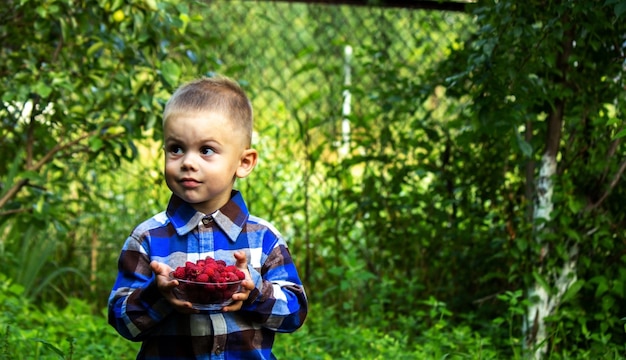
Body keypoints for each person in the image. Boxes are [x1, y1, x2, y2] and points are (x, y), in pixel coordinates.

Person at [108, 76, 308, 359]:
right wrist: (157, 295)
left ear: (243, 162)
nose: (188, 162)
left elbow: (295, 313)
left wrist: (255, 292)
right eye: (176, 148)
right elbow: (122, 321)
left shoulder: (263, 238)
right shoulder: (147, 238)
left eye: (206, 150)